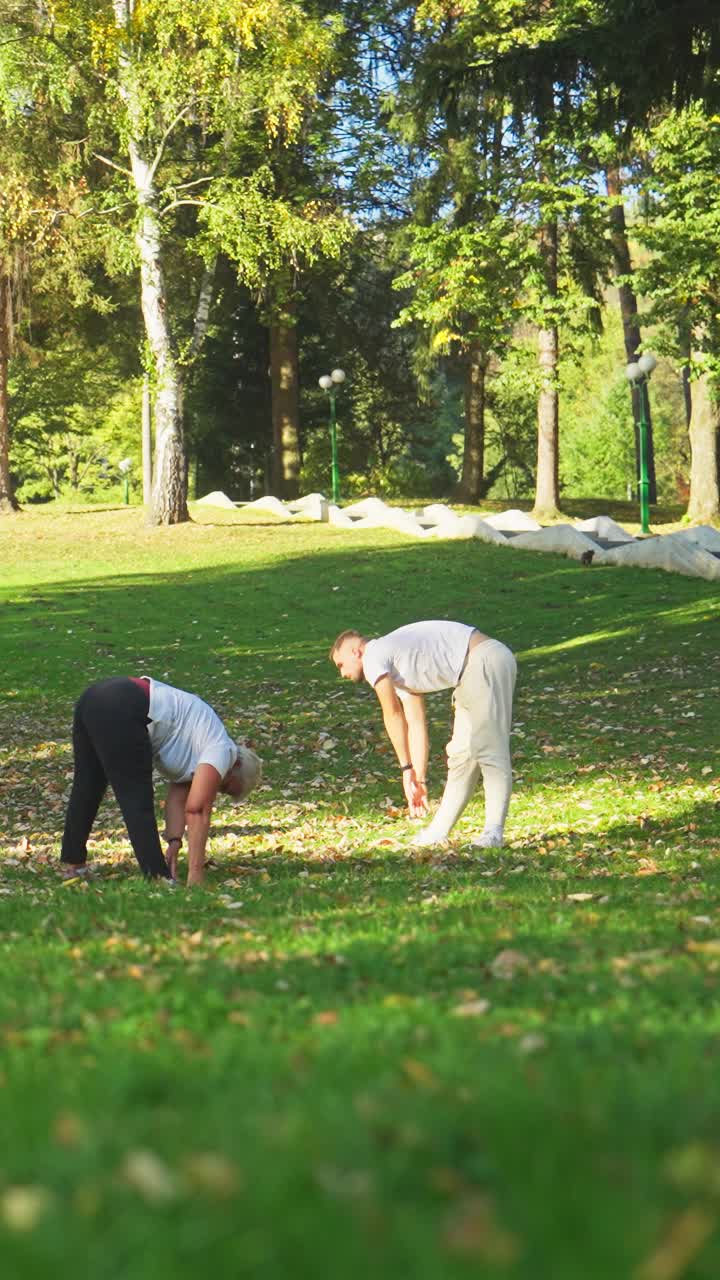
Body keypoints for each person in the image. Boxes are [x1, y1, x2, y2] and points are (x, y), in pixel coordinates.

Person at [60, 676, 262, 886]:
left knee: (89, 784)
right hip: (125, 704)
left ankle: (75, 865)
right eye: (226, 787)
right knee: (136, 796)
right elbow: (197, 809)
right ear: (236, 765)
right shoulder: (223, 750)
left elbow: (178, 799)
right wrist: (196, 874)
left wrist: (174, 841)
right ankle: (157, 876)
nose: (217, 789)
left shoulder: (199, 746)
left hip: (94, 697)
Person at [330, 621, 516, 848]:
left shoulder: (373, 656)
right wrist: (417, 777)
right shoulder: (395, 664)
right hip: (469, 673)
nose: (342, 673)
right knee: (461, 757)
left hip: (483, 660)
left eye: (341, 664)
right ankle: (438, 832)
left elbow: (392, 714)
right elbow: (415, 722)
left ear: (355, 651)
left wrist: (406, 769)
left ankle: (493, 833)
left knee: (489, 749)